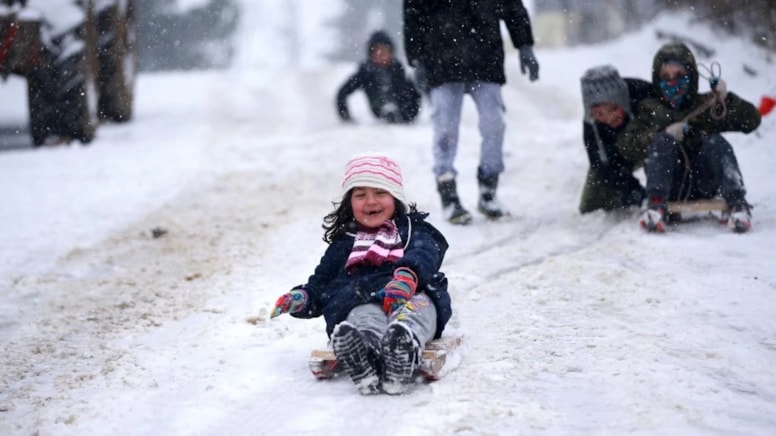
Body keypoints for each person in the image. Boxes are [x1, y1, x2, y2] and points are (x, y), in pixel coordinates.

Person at [270, 155, 452, 395]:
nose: (370, 201)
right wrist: (302, 297)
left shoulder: (412, 231)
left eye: (380, 193)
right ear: (349, 203)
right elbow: (322, 283)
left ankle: (402, 348)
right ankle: (363, 355)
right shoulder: (344, 243)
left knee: (414, 314)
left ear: (395, 197)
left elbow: (425, 253)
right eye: (360, 195)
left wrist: (407, 276)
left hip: (410, 294)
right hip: (362, 299)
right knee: (363, 318)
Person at [403, 0, 540, 224]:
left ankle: (488, 190)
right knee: (445, 129)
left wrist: (525, 45)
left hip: (486, 58)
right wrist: (417, 60)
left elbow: (513, 7)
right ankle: (448, 194)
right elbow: (413, 13)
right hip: (441, 61)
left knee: (494, 124)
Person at [623, 42, 761, 233]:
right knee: (662, 142)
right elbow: (627, 146)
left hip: (704, 181)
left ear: (691, 76)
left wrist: (726, 99)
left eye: (679, 76)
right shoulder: (649, 109)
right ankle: (655, 206)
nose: (672, 82)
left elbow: (751, 121)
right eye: (665, 77)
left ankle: (737, 203)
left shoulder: (706, 105)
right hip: (668, 185)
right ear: (657, 79)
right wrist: (661, 135)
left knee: (716, 142)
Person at [578, 65, 654, 214]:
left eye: (613, 109)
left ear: (622, 101)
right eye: (599, 113)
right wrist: (632, 192)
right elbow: (601, 164)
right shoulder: (591, 124)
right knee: (590, 206)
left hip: (651, 147)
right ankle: (619, 203)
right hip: (617, 154)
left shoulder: (645, 94)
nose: (609, 118)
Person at [335, 31, 421, 124]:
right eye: (377, 51)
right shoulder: (365, 72)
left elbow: (414, 95)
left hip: (403, 114)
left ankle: (394, 110)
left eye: (385, 50)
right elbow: (342, 93)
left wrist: (410, 114)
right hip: (379, 110)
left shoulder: (398, 69)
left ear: (391, 52)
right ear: (371, 53)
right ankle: (388, 109)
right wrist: (345, 117)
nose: (381, 54)